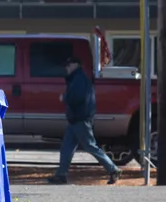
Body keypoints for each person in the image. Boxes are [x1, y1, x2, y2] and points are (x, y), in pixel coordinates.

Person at [47, 56, 122, 185]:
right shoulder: (78, 78)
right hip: (76, 120)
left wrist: (64, 97)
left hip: (81, 120)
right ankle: (61, 174)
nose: (67, 68)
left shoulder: (79, 79)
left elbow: (76, 98)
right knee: (67, 147)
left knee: (90, 146)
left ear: (76, 64)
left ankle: (113, 169)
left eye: (69, 65)